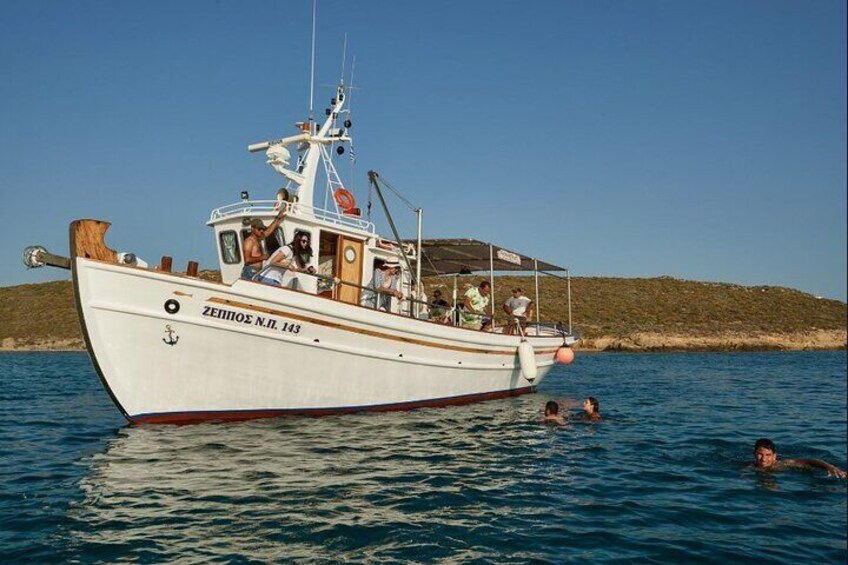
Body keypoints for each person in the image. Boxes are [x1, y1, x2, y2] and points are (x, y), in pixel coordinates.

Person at [752, 438, 846, 478]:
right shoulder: (750, 468)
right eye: (760, 454)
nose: (763, 459)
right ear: (754, 454)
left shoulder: (783, 464)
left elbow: (810, 461)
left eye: (768, 455)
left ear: (774, 456)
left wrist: (829, 467)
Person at [241, 209, 286, 279]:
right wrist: (262, 257)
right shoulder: (249, 241)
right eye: (259, 229)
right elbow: (247, 260)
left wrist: (277, 218)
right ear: (252, 228)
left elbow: (269, 230)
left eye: (262, 228)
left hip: (256, 271)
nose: (261, 231)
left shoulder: (258, 238)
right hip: (250, 271)